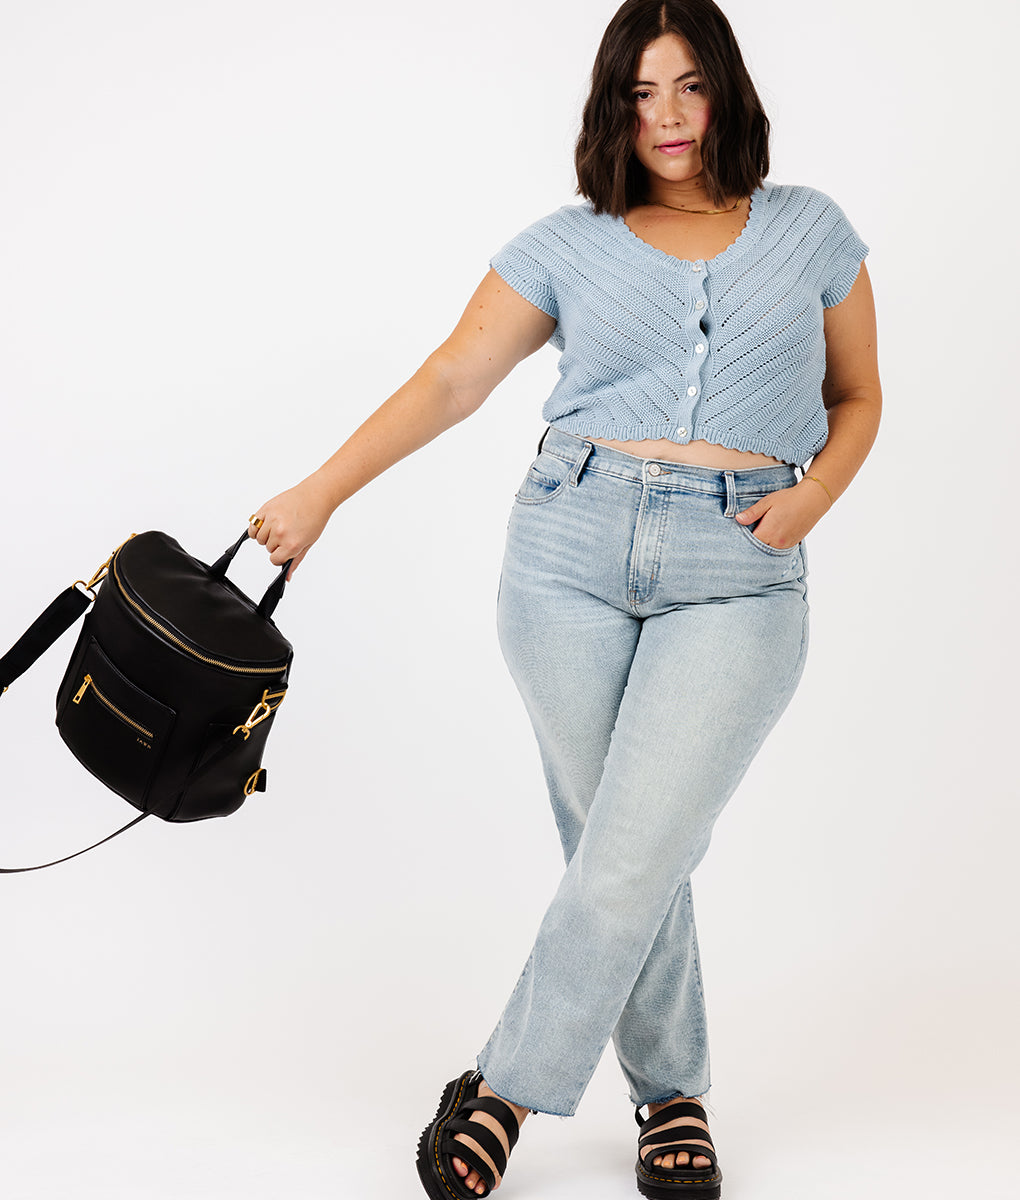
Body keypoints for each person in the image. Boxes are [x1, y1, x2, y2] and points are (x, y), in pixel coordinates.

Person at [247, 1, 881, 1196]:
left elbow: (859, 396)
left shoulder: (813, 231)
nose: (668, 117)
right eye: (641, 94)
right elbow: (451, 379)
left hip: (740, 567)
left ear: (728, 89)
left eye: (689, 86)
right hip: (568, 553)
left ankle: (503, 1085)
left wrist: (816, 496)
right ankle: (672, 1096)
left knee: (632, 848)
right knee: (621, 849)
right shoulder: (566, 242)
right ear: (611, 109)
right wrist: (320, 493)